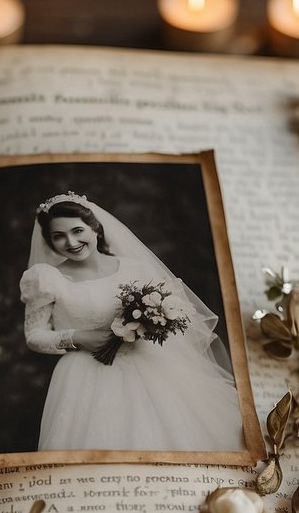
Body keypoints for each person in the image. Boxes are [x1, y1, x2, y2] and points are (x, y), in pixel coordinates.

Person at [19, 192, 245, 452]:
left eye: (77, 230)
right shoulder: (46, 278)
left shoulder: (135, 269)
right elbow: (34, 335)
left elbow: (176, 316)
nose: (70, 241)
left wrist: (151, 324)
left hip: (151, 367)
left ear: (95, 228)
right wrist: (78, 336)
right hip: (85, 376)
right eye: (58, 236)